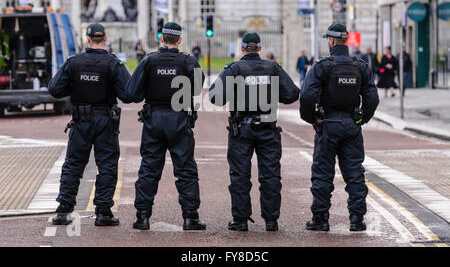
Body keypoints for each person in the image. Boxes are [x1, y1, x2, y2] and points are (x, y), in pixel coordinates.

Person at [209, 32, 300, 232]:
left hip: (241, 129)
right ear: (259, 48)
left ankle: (240, 220)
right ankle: (271, 220)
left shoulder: (234, 69)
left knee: (240, 175)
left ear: (242, 48)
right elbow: (292, 93)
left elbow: (215, 98)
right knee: (270, 175)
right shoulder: (272, 68)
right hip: (267, 127)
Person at [48, 23, 132, 226]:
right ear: (105, 39)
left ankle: (63, 211)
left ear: (87, 39)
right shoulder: (113, 63)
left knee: (73, 165)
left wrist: (75, 85)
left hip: (80, 119)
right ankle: (103, 212)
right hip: (105, 119)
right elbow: (129, 94)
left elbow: (55, 89)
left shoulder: (73, 62)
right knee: (107, 166)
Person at [126, 22, 206, 231]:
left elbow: (132, 93)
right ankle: (190, 217)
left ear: (162, 38)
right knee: (185, 169)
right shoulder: (189, 62)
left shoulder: (148, 61)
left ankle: (142, 216)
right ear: (179, 40)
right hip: (179, 118)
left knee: (149, 168)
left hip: (154, 119)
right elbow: (198, 88)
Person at [300, 23, 379, 232]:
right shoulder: (360, 66)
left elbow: (307, 96)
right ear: (346, 41)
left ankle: (321, 219)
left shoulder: (322, 66)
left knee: (323, 172)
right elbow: (372, 98)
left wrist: (313, 119)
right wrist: (362, 119)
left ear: (331, 41)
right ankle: (357, 219)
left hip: (328, 125)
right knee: (354, 172)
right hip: (352, 126)